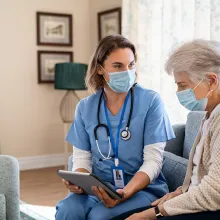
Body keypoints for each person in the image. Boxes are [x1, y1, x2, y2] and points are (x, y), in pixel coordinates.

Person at [55, 34, 175, 220]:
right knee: (68, 211)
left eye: (131, 65)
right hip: (98, 188)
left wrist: (123, 194)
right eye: (118, 66)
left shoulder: (151, 101)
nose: (127, 72)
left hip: (140, 189)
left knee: (100, 216)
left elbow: (153, 161)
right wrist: (78, 182)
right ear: (100, 69)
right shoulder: (85, 107)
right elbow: (81, 159)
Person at [123, 40, 220, 220]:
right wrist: (180, 192)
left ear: (212, 81)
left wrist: (156, 212)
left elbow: (215, 191)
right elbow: (200, 176)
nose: (178, 92)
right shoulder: (208, 116)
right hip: (201, 203)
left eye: (183, 85)